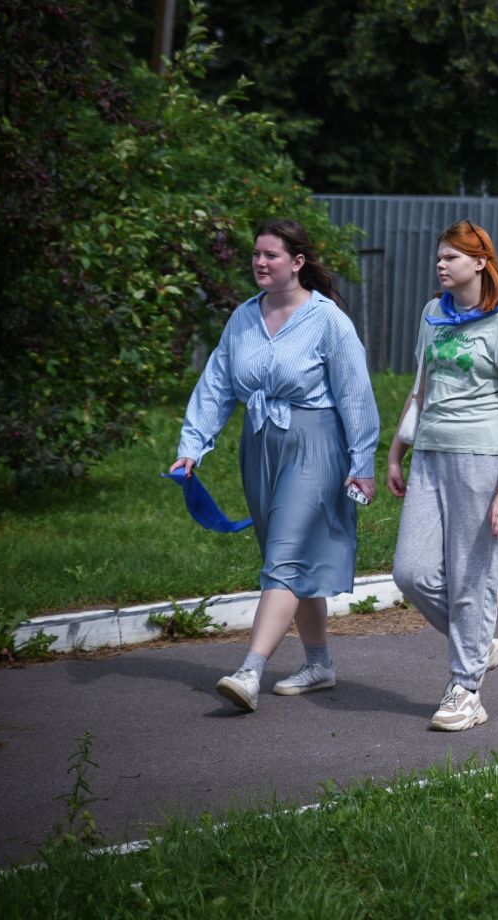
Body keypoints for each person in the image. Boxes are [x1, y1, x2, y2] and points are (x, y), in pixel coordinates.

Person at [173, 219, 380, 713]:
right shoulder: (244, 317)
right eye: (256, 254)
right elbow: (217, 384)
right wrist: (192, 446)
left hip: (316, 444)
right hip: (260, 446)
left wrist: (362, 462)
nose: (260, 263)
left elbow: (356, 396)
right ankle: (319, 664)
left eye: (271, 255)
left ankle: (250, 671)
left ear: (297, 263)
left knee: (285, 557)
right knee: (289, 556)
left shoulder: (328, 320)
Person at [389, 220, 498, 731]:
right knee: (411, 572)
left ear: (480, 262)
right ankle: (477, 643)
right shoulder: (433, 313)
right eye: (440, 256)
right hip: (430, 454)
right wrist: (397, 451)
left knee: (472, 577)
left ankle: (466, 689)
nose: (441, 264)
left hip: (482, 460)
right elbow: (421, 387)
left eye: (451, 256)